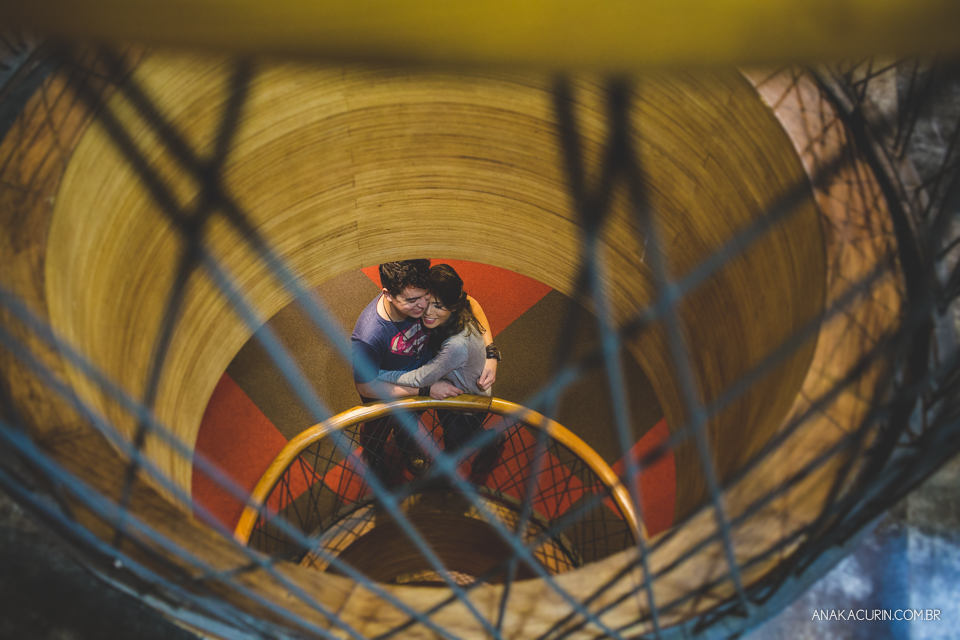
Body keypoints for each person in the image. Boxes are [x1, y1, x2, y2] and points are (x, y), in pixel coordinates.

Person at [351, 260, 497, 479]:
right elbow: (366, 387)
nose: (423, 307)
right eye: (412, 300)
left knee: (409, 423)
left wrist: (491, 352)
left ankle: (405, 443)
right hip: (390, 393)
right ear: (388, 294)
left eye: (426, 296)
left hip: (423, 382)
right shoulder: (369, 337)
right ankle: (375, 458)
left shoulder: (424, 298)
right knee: (377, 432)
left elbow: (470, 303)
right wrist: (425, 390)